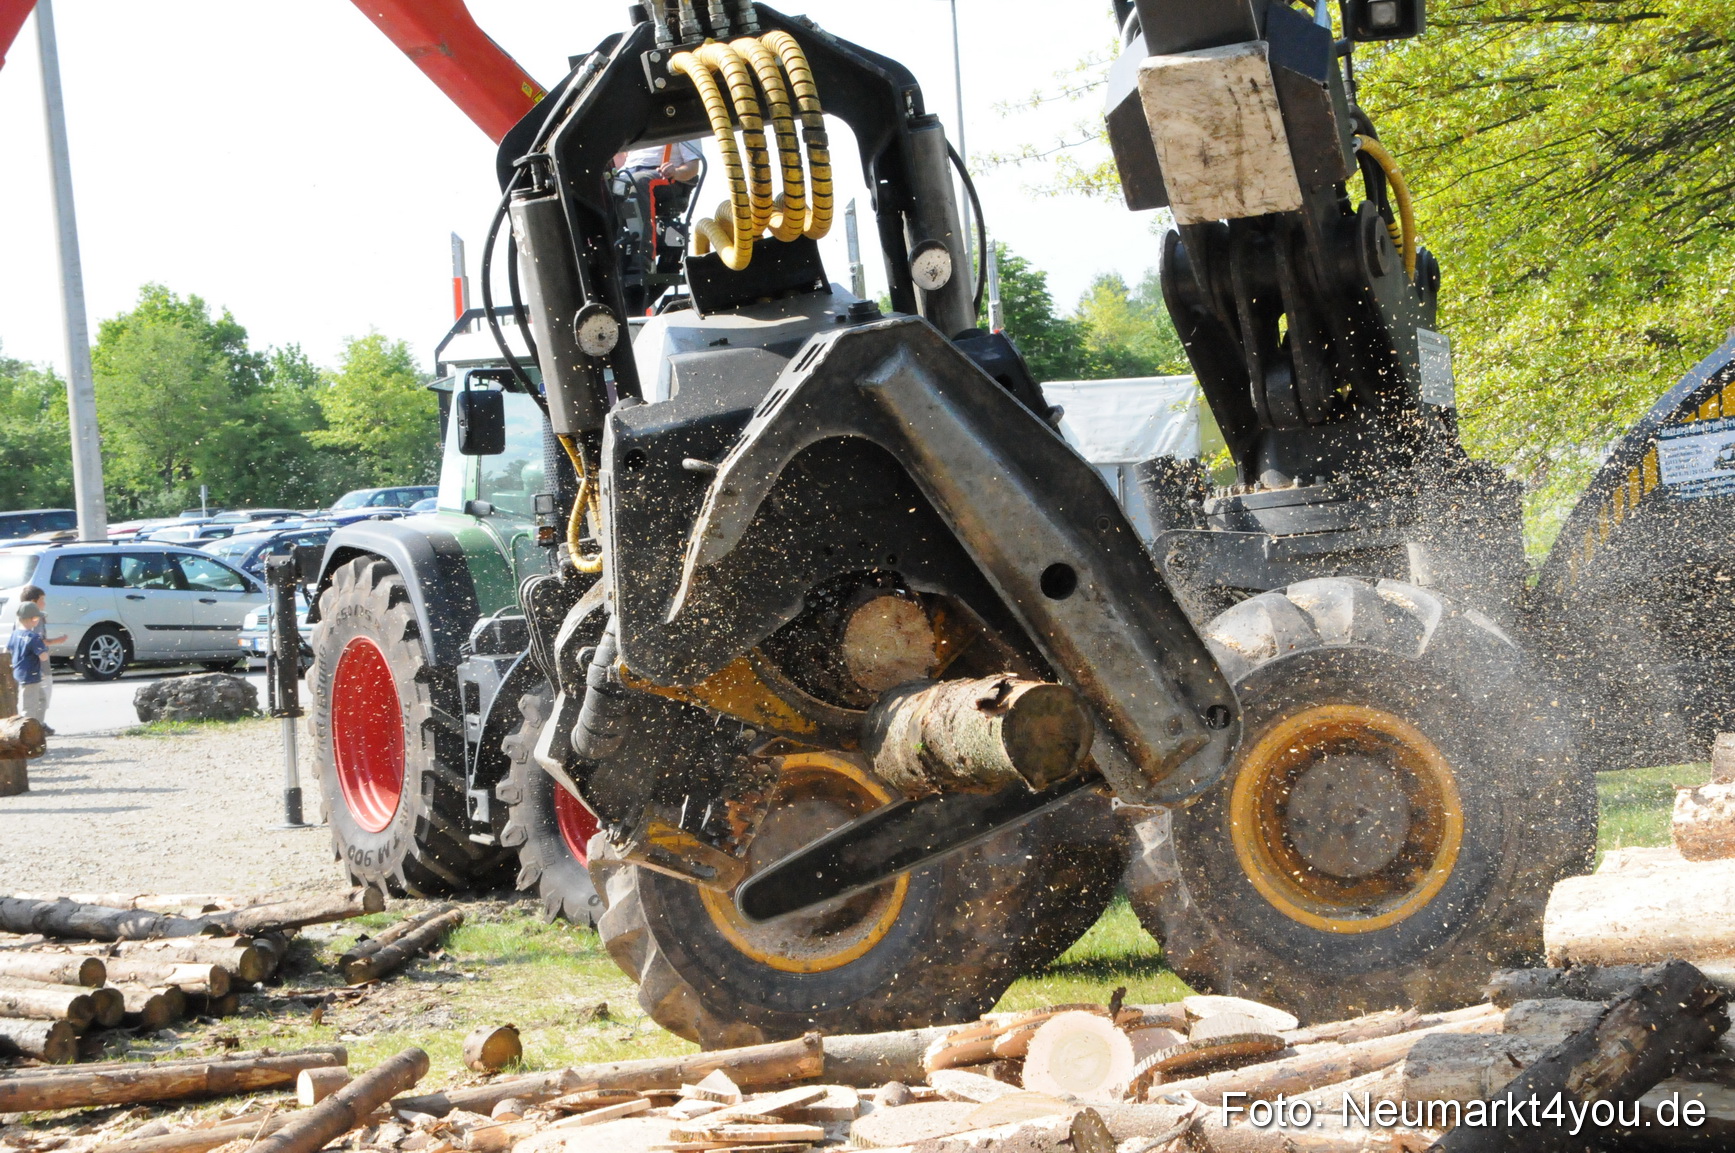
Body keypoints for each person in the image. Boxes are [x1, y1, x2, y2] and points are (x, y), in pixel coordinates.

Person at [9, 594, 64, 736]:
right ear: (33, 619)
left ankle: (38, 726)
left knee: (41, 699)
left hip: (18, 673)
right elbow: (43, 656)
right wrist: (46, 651)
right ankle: (25, 734)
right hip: (31, 676)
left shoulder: (15, 634)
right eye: (37, 618)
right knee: (29, 706)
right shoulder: (33, 638)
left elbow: (6, 650)